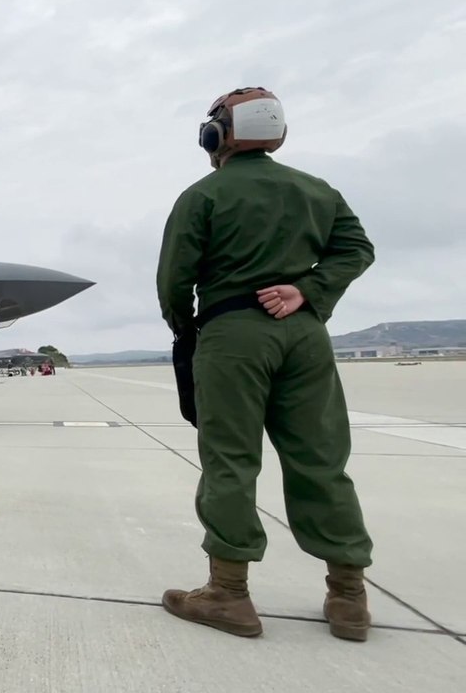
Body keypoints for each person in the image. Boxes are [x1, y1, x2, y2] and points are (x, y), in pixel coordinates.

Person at [155, 87, 376, 641]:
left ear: (219, 136)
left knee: (230, 460)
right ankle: (349, 598)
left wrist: (188, 330)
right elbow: (356, 249)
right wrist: (309, 290)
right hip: (306, 337)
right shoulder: (316, 190)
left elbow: (174, 281)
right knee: (322, 460)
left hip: (233, 336)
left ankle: (229, 595)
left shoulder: (203, 195)